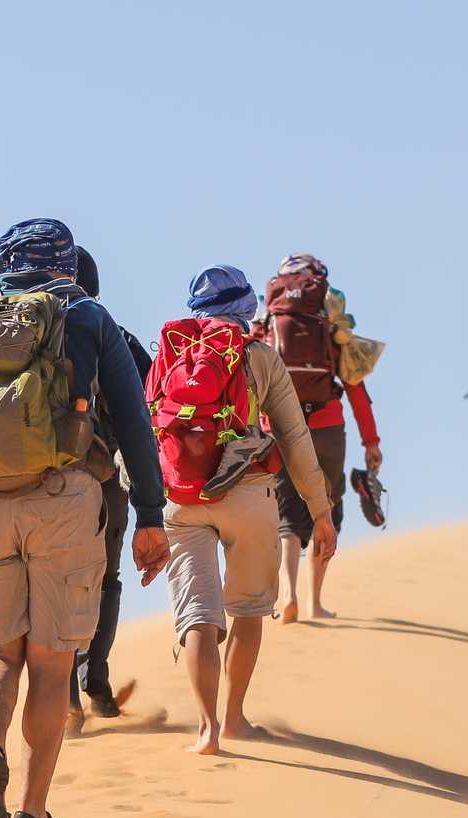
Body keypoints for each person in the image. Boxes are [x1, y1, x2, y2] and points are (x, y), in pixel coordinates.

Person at [0, 218, 171, 818]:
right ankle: (31, 816)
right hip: (67, 500)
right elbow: (137, 426)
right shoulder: (88, 316)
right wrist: (149, 517)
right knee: (53, 665)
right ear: (65, 259)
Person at [156, 264, 337, 755]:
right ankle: (234, 718)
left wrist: (147, 512)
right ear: (246, 308)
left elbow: (150, 430)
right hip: (249, 492)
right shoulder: (259, 355)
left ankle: (206, 729)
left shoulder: (170, 354)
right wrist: (320, 509)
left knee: (197, 615)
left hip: (183, 497)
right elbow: (294, 435)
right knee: (249, 611)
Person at [64, 246, 155, 732]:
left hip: (42, 484)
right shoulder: (116, 337)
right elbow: (147, 412)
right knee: (105, 581)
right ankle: (94, 681)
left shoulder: (33, 337)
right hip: (106, 479)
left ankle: (65, 699)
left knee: (53, 587)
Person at [263, 254, 381, 622]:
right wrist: (371, 441)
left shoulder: (267, 320)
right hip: (327, 426)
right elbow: (355, 386)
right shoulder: (331, 324)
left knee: (286, 516)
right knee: (324, 512)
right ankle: (315, 603)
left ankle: (287, 597)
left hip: (278, 428)